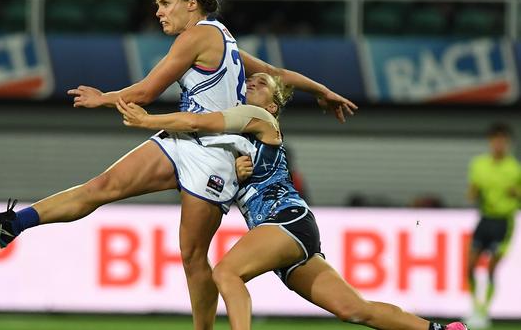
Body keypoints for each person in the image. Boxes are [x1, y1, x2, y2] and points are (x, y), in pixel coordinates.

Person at [0, 0, 356, 330]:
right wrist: (322, 90)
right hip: (183, 138)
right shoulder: (223, 37)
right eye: (157, 5)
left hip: (213, 156)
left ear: (192, 4)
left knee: (191, 255)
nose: (158, 12)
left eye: (165, 3)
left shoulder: (200, 35)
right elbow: (278, 74)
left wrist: (105, 99)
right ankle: (12, 224)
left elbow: (147, 93)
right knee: (102, 186)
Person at [116, 72, 467, 330]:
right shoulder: (238, 142)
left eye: (262, 83)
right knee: (354, 310)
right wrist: (238, 174)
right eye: (250, 79)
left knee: (225, 272)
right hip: (293, 232)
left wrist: (149, 120)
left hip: (285, 220)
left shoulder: (263, 119)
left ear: (272, 105)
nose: (252, 81)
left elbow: (197, 120)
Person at [464, 123, 521, 329]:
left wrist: (516, 194)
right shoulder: (479, 164)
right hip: (485, 219)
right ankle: (474, 307)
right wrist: (473, 192)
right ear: (490, 142)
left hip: (504, 222)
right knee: (469, 266)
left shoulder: (515, 168)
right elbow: (472, 192)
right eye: (495, 140)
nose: (498, 144)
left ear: (508, 143)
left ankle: (483, 312)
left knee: (490, 269)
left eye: (502, 140)